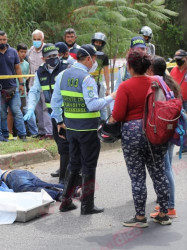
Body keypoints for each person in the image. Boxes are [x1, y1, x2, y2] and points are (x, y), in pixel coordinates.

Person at [51, 44, 115, 214]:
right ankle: (87, 205)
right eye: (94, 59)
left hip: (71, 129)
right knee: (89, 166)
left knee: (74, 163)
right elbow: (93, 105)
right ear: (88, 59)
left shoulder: (62, 75)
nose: (95, 62)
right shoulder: (87, 79)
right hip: (88, 130)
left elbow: (55, 103)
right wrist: (111, 97)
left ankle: (66, 201)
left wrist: (59, 122)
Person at [110, 50, 171, 227]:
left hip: (133, 134)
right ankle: (164, 214)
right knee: (159, 172)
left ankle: (140, 217)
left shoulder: (125, 86)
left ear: (129, 67)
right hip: (155, 131)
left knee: (137, 177)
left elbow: (119, 114)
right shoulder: (156, 82)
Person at [24, 44, 71, 185]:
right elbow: (35, 90)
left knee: (64, 144)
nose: (53, 59)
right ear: (43, 58)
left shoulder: (67, 67)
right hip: (53, 114)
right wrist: (31, 108)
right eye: (49, 57)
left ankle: (64, 178)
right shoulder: (40, 72)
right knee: (59, 142)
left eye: (55, 55)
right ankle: (68, 168)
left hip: (66, 113)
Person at [147, 56, 181, 219]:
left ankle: (170, 206)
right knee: (167, 168)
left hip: (162, 131)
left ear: (152, 70)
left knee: (165, 169)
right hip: (171, 128)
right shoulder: (170, 83)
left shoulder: (158, 84)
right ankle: (166, 203)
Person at [0, 31, 27, 141]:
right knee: (2, 113)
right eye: (0, 40)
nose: (2, 42)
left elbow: (17, 68)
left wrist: (21, 83)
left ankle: (22, 134)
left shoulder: (13, 52)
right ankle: (5, 135)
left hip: (13, 87)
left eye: (4, 40)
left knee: (17, 111)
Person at [27, 29, 53, 140]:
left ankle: (49, 132)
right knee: (37, 110)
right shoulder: (30, 51)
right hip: (33, 85)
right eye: (34, 39)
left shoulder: (47, 50)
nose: (36, 41)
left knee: (46, 109)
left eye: (38, 39)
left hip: (45, 85)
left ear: (43, 39)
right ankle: (41, 132)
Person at [170, 49, 187, 155]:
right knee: (182, 124)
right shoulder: (173, 71)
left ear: (186, 58)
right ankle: (185, 146)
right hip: (178, 102)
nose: (178, 61)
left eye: (180, 59)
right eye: (176, 59)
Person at [15, 43, 38, 137]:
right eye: (21, 52)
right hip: (15, 91)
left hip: (23, 91)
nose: (23, 54)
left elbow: (27, 77)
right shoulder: (14, 64)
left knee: (28, 111)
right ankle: (20, 132)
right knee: (17, 113)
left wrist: (25, 88)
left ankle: (34, 132)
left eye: (25, 52)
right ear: (17, 52)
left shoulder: (26, 64)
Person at [0, 169, 65, 201]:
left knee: (26, 189)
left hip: (11, 175)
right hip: (18, 173)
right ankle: (70, 189)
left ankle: (60, 194)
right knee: (42, 185)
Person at [91, 32, 110, 121]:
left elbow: (106, 72)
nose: (98, 44)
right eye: (96, 42)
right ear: (93, 42)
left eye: (100, 43)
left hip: (99, 82)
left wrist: (108, 88)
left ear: (102, 44)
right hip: (88, 82)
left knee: (102, 105)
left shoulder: (104, 56)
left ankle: (104, 124)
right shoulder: (88, 53)